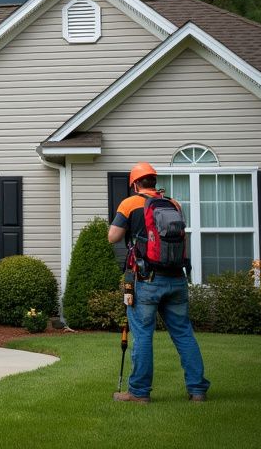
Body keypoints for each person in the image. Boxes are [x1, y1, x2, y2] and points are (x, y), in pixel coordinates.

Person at [108, 162, 210, 403]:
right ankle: (197, 390)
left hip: (146, 281)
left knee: (143, 335)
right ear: (154, 181)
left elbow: (112, 237)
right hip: (176, 279)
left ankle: (139, 393)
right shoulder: (173, 204)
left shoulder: (130, 203)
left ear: (135, 184)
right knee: (184, 333)